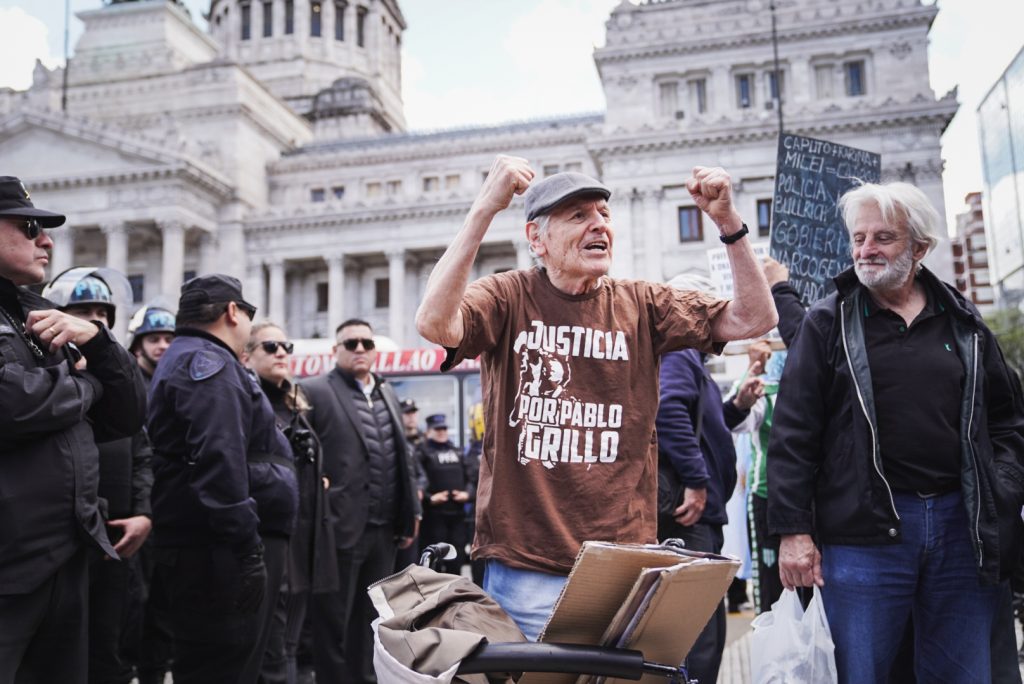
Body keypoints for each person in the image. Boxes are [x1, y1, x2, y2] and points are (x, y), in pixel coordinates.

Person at [415, 156, 777, 638]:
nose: (598, 225)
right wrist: (485, 208)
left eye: (603, 214)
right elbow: (435, 324)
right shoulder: (508, 296)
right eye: (578, 215)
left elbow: (754, 319)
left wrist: (728, 222)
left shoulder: (643, 303)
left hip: (620, 566)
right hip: (525, 568)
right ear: (536, 239)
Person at [767, 181, 1024, 682]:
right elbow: (793, 434)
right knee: (863, 672)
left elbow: (1008, 419)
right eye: (859, 237)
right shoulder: (827, 322)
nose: (866, 250)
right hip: (865, 534)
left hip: (959, 525)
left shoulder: (964, 322)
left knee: (964, 671)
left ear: (920, 248)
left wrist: (1003, 485)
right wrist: (794, 532)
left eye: (883, 237)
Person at [0, 176, 146, 683]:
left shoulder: (34, 314)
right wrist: (84, 389)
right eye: (30, 227)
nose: (47, 241)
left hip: (65, 553)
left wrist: (101, 345)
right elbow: (11, 403)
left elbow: (126, 416)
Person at [147, 274, 298, 684]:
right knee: (225, 665)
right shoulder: (208, 363)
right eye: (249, 316)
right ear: (233, 312)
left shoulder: (197, 357)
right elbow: (219, 460)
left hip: (219, 544)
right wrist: (247, 550)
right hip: (221, 549)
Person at [43, 267, 155, 684]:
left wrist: (143, 512)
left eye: (102, 313)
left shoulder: (119, 388)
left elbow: (143, 457)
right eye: (83, 311)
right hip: (55, 547)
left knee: (109, 648)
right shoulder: (43, 381)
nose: (95, 321)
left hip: (117, 543)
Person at [655, 273, 765, 683]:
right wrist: (697, 481)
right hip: (689, 516)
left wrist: (737, 405)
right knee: (700, 634)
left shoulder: (687, 356)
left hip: (692, 516)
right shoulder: (682, 348)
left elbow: (704, 424)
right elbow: (669, 412)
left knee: (697, 630)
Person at [302, 319, 422, 684]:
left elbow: (402, 454)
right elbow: (300, 450)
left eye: (366, 343)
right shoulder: (314, 390)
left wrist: (411, 510)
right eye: (349, 343)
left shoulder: (387, 391)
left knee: (373, 621)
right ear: (334, 350)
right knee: (333, 621)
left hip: (384, 528)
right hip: (338, 528)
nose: (359, 349)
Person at [243, 321, 337, 684]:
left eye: (286, 346)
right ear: (247, 355)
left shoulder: (294, 403)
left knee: (292, 640)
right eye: (270, 347)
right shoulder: (251, 400)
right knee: (272, 644)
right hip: (272, 539)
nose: (281, 352)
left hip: (305, 538)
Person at [416, 413, 476, 575]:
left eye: (444, 428)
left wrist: (467, 495)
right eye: (437, 429)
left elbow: (471, 478)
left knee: (455, 562)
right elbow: (417, 479)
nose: (442, 432)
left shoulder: (457, 451)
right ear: (429, 431)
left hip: (457, 515)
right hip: (433, 517)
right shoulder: (421, 452)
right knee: (432, 564)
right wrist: (430, 498)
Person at [128, 304, 176, 384]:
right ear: (137, 347)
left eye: (169, 340)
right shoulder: (125, 383)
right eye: (153, 340)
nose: (163, 346)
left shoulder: (180, 381)